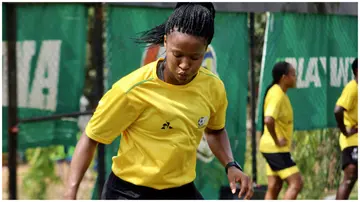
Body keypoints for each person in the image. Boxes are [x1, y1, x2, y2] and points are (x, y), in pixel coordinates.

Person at [64, 2, 253, 200]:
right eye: (177, 55)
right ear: (165, 42)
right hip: (129, 192)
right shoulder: (131, 89)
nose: (184, 65)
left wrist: (231, 164)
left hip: (180, 190)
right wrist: (70, 194)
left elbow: (215, 131)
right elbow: (91, 137)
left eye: (195, 57)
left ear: (205, 49)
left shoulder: (213, 87)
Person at [259, 61, 304, 200]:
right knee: (296, 183)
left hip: (271, 147)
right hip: (275, 148)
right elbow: (268, 120)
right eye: (293, 74)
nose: (296, 77)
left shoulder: (280, 93)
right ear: (284, 77)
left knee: (274, 186)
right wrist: (277, 140)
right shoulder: (277, 94)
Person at [334, 58, 358, 200]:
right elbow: (338, 110)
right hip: (352, 139)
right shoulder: (352, 87)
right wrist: (344, 131)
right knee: (350, 175)